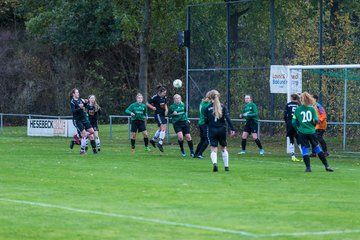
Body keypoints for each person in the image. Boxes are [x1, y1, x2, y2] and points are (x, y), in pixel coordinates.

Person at [292, 92, 333, 172]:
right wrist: (313, 125)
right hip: (311, 132)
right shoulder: (312, 109)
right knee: (318, 149)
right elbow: (316, 121)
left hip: (302, 133)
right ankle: (327, 166)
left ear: (301, 100)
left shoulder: (297, 110)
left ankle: (308, 168)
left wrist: (298, 128)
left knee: (305, 150)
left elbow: (293, 122)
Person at [203, 90, 235, 172]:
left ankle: (215, 164)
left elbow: (205, 121)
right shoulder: (223, 107)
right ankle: (226, 167)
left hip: (212, 129)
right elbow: (228, 119)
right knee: (224, 147)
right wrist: (232, 129)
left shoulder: (207, 108)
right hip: (222, 129)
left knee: (213, 149)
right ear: (218, 96)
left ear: (210, 97)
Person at [69, 88, 97, 154]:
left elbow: (85, 105)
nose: (78, 93)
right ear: (73, 94)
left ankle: (78, 136)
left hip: (83, 119)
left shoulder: (81, 100)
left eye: (78, 92)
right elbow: (73, 111)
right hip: (77, 120)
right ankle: (82, 151)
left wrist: (86, 102)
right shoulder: (72, 101)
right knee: (84, 134)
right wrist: (79, 108)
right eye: (76, 92)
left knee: (92, 131)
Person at [146, 85, 168, 152]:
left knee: (162, 129)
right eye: (164, 93)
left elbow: (165, 104)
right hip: (158, 115)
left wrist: (166, 110)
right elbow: (147, 103)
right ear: (160, 92)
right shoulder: (155, 97)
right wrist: (152, 107)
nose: (165, 94)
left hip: (162, 114)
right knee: (163, 128)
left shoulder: (164, 97)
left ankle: (153, 140)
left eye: (165, 93)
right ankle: (160, 143)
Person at [193, 91, 211, 159]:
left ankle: (196, 154)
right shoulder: (207, 104)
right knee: (207, 140)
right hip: (204, 123)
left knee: (203, 140)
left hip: (201, 123)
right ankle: (199, 154)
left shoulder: (203, 102)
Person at [284, 94, 302, 161]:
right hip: (297, 124)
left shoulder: (288, 105)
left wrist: (287, 122)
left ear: (291, 98)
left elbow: (285, 115)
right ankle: (304, 155)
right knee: (299, 139)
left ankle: (293, 156)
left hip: (290, 124)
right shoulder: (299, 105)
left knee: (291, 139)